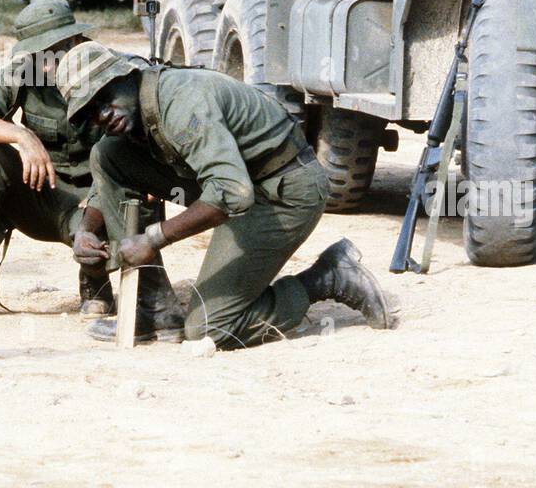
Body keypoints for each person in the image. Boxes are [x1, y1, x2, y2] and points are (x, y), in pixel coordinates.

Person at [56, 43, 395, 348]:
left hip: (283, 191)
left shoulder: (181, 103)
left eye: (105, 98)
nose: (103, 115)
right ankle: (154, 307)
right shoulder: (141, 105)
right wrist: (86, 228)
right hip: (237, 182)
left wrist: (153, 237)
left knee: (208, 329)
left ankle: (328, 278)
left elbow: (231, 193)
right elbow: (113, 179)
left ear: (127, 76)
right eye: (91, 112)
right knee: (108, 154)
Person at [0, 0, 115, 318]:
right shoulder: (27, 70)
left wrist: (102, 197)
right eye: (37, 54)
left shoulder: (111, 71)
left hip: (95, 204)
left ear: (74, 41)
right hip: (40, 197)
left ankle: (95, 281)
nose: (44, 65)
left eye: (52, 52)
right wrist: (22, 136)